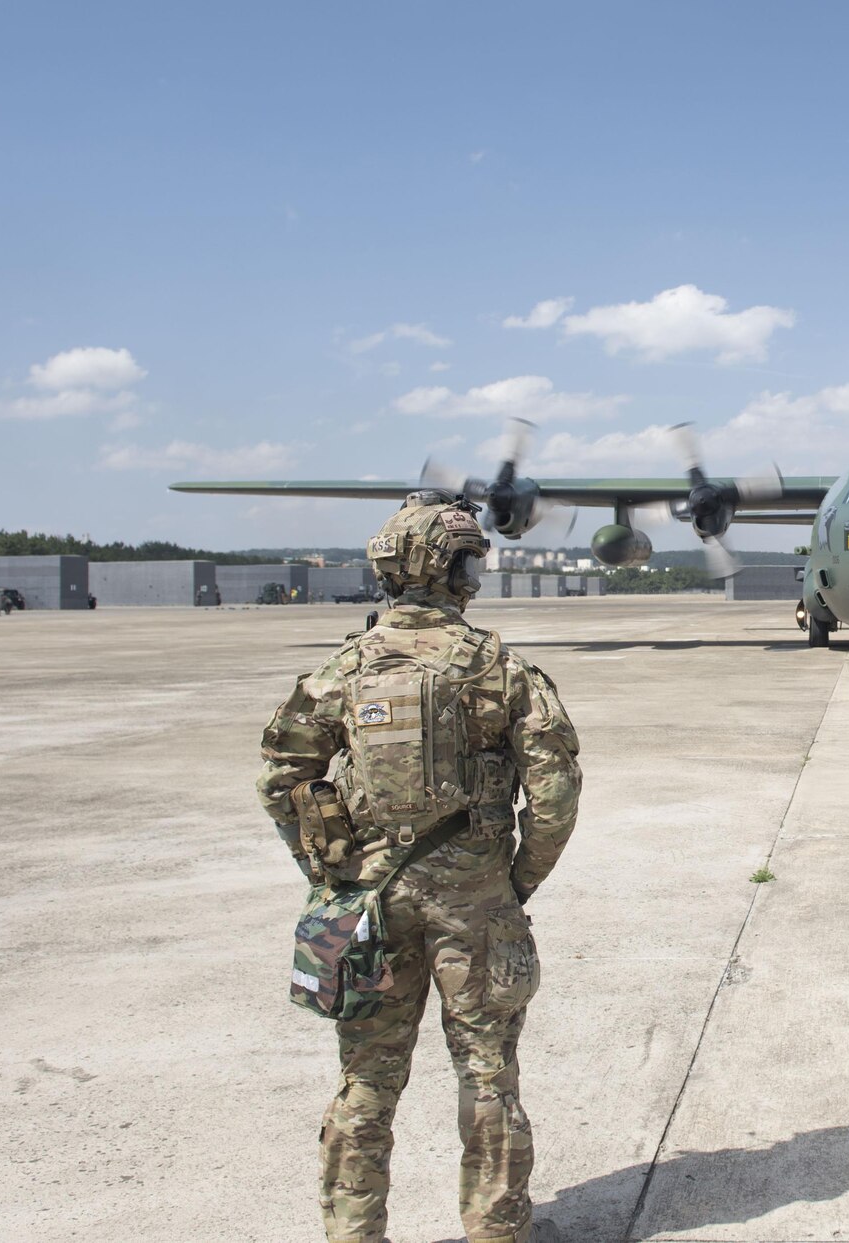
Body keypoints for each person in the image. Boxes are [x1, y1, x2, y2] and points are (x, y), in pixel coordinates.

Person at [257, 490, 582, 1243]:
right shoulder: (497, 669)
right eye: (470, 561)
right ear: (452, 571)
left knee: (367, 1082)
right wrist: (513, 881)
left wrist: (330, 868)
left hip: (367, 905)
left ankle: (353, 1232)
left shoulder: (343, 669)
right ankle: (496, 1231)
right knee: (488, 1077)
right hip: (475, 908)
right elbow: (555, 795)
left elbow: (281, 778)